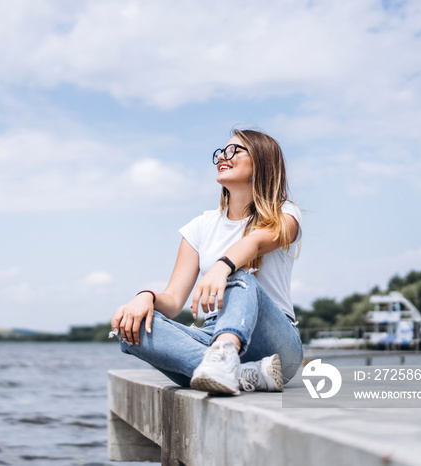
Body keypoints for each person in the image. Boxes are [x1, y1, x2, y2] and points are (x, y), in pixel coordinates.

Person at [110, 128, 303, 395]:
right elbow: (174, 301)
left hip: (274, 340)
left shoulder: (285, 213)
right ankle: (245, 374)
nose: (224, 156)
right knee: (132, 328)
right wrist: (147, 298)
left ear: (262, 161)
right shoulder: (199, 227)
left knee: (240, 276)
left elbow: (255, 242)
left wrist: (222, 267)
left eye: (235, 150)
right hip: (212, 334)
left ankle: (224, 358)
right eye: (222, 152)